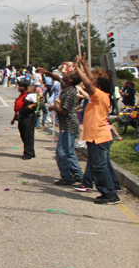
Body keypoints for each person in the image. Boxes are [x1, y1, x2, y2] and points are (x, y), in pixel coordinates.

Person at [75, 56, 120, 204]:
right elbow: (92, 79)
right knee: (99, 165)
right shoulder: (99, 97)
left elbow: (89, 83)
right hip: (96, 136)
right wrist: (84, 65)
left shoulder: (100, 96)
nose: (92, 83)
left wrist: (78, 68)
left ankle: (110, 194)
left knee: (99, 167)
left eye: (96, 84)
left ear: (98, 88)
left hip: (99, 136)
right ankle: (109, 191)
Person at [38, 67, 83, 185]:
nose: (65, 74)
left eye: (68, 74)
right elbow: (57, 78)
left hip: (69, 125)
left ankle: (67, 177)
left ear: (71, 80)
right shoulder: (67, 86)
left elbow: (65, 112)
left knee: (61, 152)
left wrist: (54, 108)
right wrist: (47, 72)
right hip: (66, 124)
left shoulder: (69, 92)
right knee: (69, 151)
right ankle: (78, 175)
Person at [11, 80, 37, 160]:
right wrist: (14, 118)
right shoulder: (21, 96)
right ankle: (30, 151)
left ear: (25, 88)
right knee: (24, 135)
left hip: (28, 117)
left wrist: (32, 105)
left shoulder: (30, 95)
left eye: (21, 86)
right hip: (21, 117)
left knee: (28, 135)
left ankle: (28, 153)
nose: (19, 87)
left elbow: (37, 103)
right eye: (19, 86)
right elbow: (17, 109)